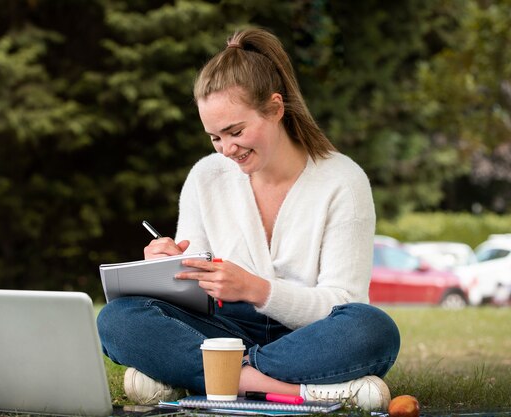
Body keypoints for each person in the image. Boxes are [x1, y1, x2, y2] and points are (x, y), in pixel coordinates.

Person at [97, 27, 400, 412]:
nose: (227, 149)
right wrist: (168, 268)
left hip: (310, 335)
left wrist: (256, 289)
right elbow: (196, 293)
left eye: (235, 131)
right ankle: (282, 388)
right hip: (225, 333)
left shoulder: (343, 181)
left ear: (275, 108)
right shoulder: (205, 177)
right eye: (214, 138)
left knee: (372, 329)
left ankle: (195, 379)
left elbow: (343, 302)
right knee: (118, 319)